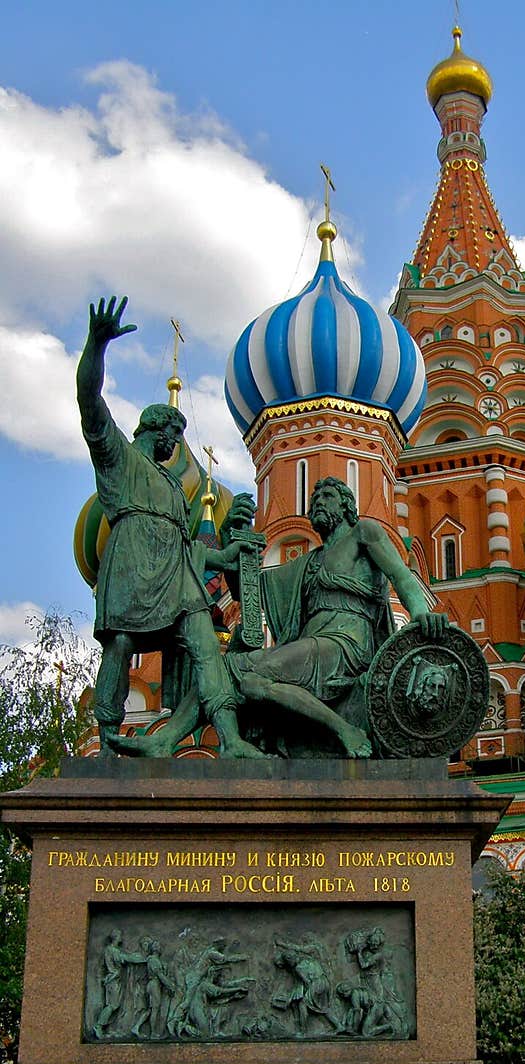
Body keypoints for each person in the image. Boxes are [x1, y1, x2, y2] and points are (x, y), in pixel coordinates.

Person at [112, 476, 449, 758]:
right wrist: (232, 535)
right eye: (314, 497)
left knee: (249, 674)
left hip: (347, 644)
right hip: (314, 642)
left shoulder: (364, 533)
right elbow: (250, 593)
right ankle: (166, 740)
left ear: (346, 505)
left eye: (327, 496)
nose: (317, 502)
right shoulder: (310, 561)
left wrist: (422, 614)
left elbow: (401, 576)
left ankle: (345, 730)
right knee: (224, 666)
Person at [76, 294, 263, 759]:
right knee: (120, 645)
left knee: (205, 647)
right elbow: (89, 402)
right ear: (156, 431)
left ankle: (232, 740)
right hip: (132, 566)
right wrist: (96, 347)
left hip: (176, 577)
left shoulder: (174, 490)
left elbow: (194, 555)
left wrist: (231, 554)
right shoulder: (120, 461)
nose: (177, 443)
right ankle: (107, 742)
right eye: (173, 435)